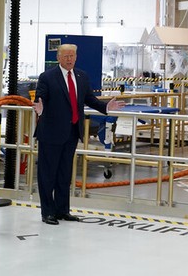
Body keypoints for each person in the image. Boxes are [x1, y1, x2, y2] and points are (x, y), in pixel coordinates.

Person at [33, 44, 122, 225]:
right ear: (58, 57)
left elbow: (89, 99)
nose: (69, 59)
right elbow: (39, 99)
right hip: (51, 133)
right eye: (65, 56)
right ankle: (47, 212)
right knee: (47, 174)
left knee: (65, 174)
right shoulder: (47, 77)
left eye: (72, 55)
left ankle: (62, 210)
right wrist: (40, 110)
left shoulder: (81, 76)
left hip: (72, 132)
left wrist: (105, 107)